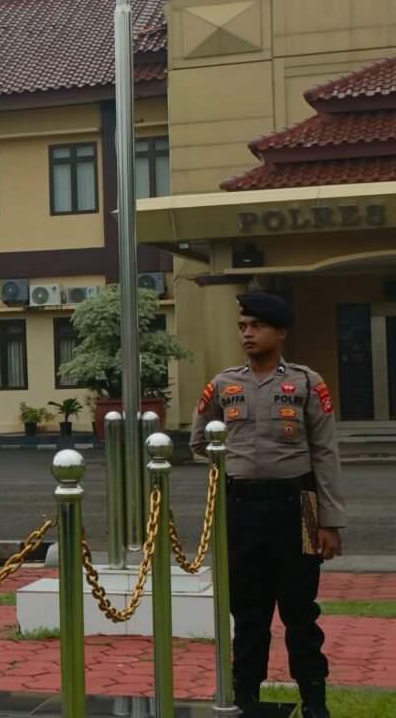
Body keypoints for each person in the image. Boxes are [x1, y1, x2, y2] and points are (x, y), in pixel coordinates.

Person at [190, 291, 347, 718]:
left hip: (301, 505)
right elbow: (200, 442)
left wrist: (329, 521)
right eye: (243, 326)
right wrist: (241, 462)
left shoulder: (307, 383)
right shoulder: (223, 384)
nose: (247, 333)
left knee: (301, 611)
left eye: (257, 326)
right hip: (240, 507)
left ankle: (314, 701)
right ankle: (246, 697)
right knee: (248, 612)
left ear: (280, 332)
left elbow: (325, 453)